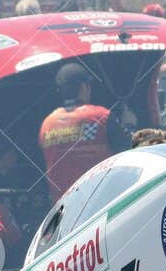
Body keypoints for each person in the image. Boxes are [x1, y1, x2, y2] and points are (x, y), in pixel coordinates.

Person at [38, 62, 132, 201]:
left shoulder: (47, 124)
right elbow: (128, 149)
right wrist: (130, 124)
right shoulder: (100, 116)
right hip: (98, 203)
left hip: (62, 209)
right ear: (84, 86)